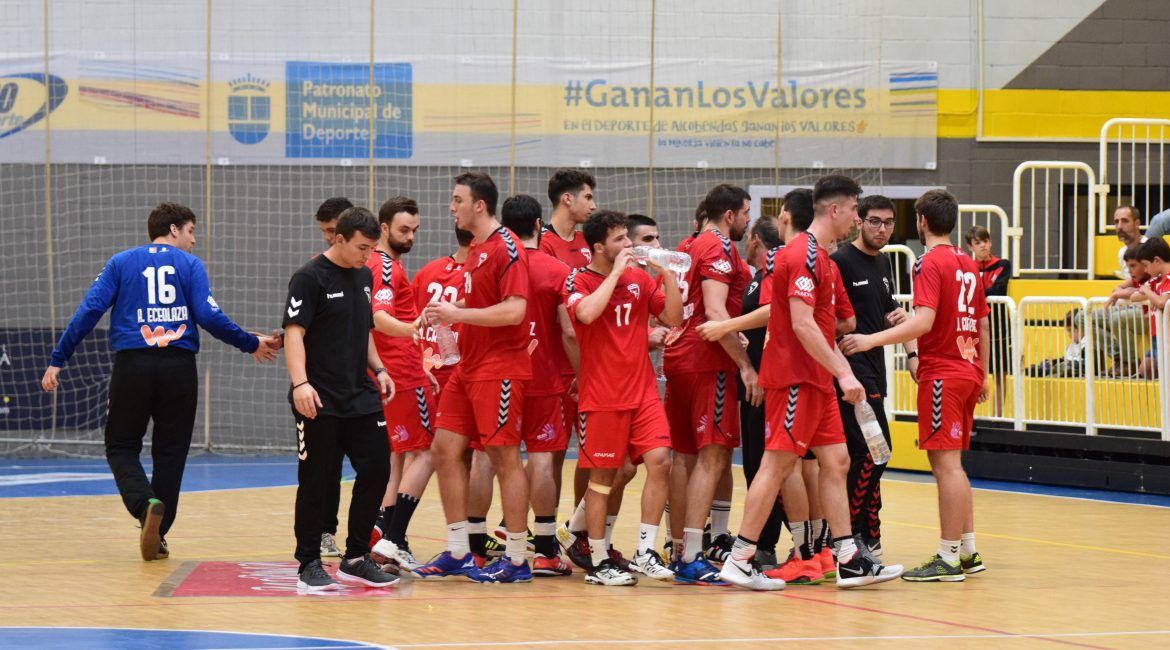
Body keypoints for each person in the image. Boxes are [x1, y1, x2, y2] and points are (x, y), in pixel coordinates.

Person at [41, 202, 278, 562]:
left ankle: (143, 505)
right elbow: (209, 316)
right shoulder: (190, 265)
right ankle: (159, 531)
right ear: (172, 230)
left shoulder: (121, 262)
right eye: (191, 231)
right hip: (179, 368)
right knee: (171, 452)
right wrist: (250, 343)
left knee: (120, 445)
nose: (194, 240)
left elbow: (89, 310)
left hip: (133, 365)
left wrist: (58, 359)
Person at [718, 175, 903, 590]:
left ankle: (848, 558)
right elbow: (801, 325)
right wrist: (843, 371)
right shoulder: (801, 253)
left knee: (836, 463)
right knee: (777, 465)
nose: (858, 218)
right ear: (835, 210)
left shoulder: (823, 258)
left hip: (817, 379)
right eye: (856, 210)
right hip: (796, 379)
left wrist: (840, 371)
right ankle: (741, 558)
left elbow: (830, 324)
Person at [842, 189, 989, 582]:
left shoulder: (927, 262)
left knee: (946, 468)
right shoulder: (968, 262)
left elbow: (923, 323)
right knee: (955, 466)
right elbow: (983, 321)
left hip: (943, 371)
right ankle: (969, 550)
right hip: (969, 369)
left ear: (921, 220)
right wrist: (984, 372)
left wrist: (870, 340)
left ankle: (948, 556)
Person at [413, 172, 534, 583]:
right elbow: (487, 301)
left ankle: (517, 559)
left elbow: (515, 310)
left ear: (478, 205)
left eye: (457, 200)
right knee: (445, 450)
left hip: (500, 369)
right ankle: (459, 550)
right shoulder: (478, 249)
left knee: (503, 457)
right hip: (468, 367)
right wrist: (448, 307)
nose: (451, 207)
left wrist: (457, 314)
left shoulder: (507, 247)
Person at [564, 210, 683, 585]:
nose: (629, 247)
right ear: (599, 247)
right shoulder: (579, 280)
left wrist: (668, 276)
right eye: (620, 241)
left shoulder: (639, 279)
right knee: (602, 478)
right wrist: (615, 274)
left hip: (643, 390)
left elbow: (673, 318)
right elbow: (584, 314)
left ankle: (646, 550)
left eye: (628, 240)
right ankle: (598, 560)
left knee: (660, 460)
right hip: (603, 396)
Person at [283, 206, 398, 592]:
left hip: (359, 395)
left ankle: (355, 557)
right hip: (319, 397)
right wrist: (301, 384)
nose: (367, 256)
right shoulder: (309, 277)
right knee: (318, 479)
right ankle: (309, 562)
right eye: (362, 248)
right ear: (339, 239)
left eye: (371, 249)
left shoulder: (364, 275)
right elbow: (294, 333)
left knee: (378, 468)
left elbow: (364, 329)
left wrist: (379, 369)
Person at [664, 183, 757, 585]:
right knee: (714, 455)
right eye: (746, 213)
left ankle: (678, 547)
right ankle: (692, 554)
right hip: (708, 362)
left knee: (684, 457)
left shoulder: (687, 244)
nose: (748, 220)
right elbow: (716, 314)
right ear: (730, 215)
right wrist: (746, 366)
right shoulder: (719, 248)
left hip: (679, 358)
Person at [832, 195, 914, 561]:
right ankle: (846, 537)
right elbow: (828, 320)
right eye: (875, 222)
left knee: (870, 454)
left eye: (888, 223)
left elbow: (885, 312)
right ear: (859, 221)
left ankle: (870, 534)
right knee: (874, 453)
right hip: (852, 373)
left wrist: (910, 348)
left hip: (876, 371)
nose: (882, 229)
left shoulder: (883, 262)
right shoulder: (839, 263)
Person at [500, 193, 577, 577]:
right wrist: (581, 372)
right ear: (537, 227)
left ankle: (479, 544)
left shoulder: (495, 266)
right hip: (545, 379)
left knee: (495, 458)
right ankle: (546, 548)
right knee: (543, 457)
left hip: (500, 379)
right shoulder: (556, 269)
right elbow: (568, 329)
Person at [365, 196, 437, 573]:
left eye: (414, 230)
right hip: (401, 375)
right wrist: (412, 331)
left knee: (398, 456)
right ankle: (393, 536)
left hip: (393, 372)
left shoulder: (378, 263)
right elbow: (378, 317)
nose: (410, 236)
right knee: (426, 452)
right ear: (383, 228)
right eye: (403, 230)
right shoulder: (386, 268)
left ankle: (387, 536)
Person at [311, 197, 355, 559]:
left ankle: (378, 532)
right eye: (324, 231)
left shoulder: (368, 268)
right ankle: (323, 532)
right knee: (325, 465)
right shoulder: (314, 272)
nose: (327, 238)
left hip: (362, 384)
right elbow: (302, 326)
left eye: (332, 231)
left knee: (376, 463)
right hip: (323, 387)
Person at [965, 225, 1011, 416]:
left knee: (1000, 372)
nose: (983, 246)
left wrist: (978, 293)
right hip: (973, 326)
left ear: (990, 242)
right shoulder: (968, 266)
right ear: (970, 247)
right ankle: (971, 414)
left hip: (999, 325)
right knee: (972, 370)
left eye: (985, 241)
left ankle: (998, 414)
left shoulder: (1003, 264)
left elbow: (998, 290)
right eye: (977, 243)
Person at [1114, 206, 1147, 280]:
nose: (1119, 226)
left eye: (1125, 221)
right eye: (1116, 222)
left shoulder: (1150, 248)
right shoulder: (1122, 252)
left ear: (1137, 223)